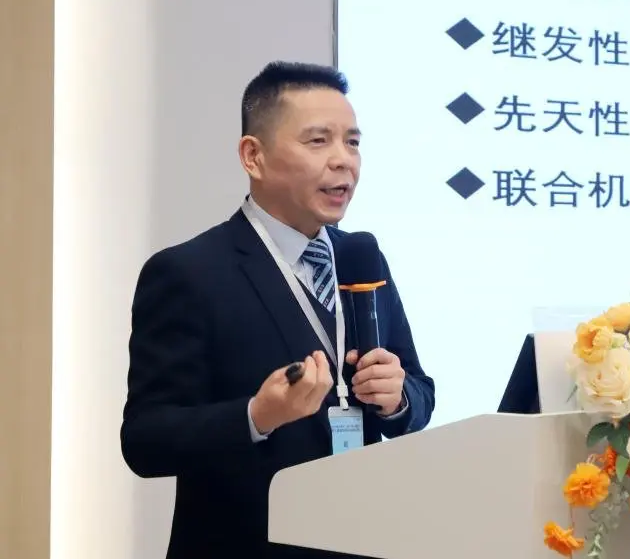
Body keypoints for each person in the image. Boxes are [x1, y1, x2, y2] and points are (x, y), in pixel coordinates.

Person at [120, 61, 435, 559]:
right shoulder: (189, 272)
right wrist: (256, 416)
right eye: (318, 141)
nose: (344, 161)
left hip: (362, 540)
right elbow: (145, 440)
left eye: (352, 142)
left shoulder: (362, 256)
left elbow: (419, 391)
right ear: (254, 156)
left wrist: (397, 399)